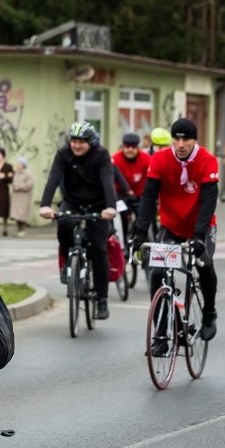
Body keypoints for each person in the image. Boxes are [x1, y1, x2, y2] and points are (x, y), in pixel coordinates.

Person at [132, 118, 219, 347]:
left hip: (202, 227)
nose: (180, 144)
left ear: (195, 140)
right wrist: (140, 234)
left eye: (186, 139)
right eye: (176, 138)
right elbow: (148, 197)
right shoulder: (160, 159)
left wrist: (199, 236)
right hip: (172, 226)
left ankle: (209, 311)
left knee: (205, 264)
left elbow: (209, 201)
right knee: (158, 273)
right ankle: (162, 335)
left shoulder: (207, 160)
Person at [39, 121, 117, 320]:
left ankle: (101, 300)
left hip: (99, 206)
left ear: (91, 142)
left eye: (82, 141)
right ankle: (68, 262)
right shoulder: (63, 154)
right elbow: (53, 178)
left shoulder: (101, 155)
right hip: (73, 202)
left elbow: (108, 180)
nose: (77, 145)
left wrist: (111, 207)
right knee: (64, 224)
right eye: (74, 141)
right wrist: (45, 205)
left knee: (98, 249)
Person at [112, 132, 151, 244]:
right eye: (127, 146)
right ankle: (122, 241)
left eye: (133, 147)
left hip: (140, 194)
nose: (130, 149)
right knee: (122, 214)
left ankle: (137, 237)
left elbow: (152, 177)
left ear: (137, 147)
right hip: (121, 194)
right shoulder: (115, 159)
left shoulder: (146, 158)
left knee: (143, 215)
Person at [10, 156, 34, 237]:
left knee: (22, 214)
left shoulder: (28, 173)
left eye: (19, 163)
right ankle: (18, 230)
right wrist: (15, 185)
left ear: (23, 164)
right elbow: (13, 182)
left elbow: (29, 185)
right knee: (16, 215)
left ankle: (22, 230)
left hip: (24, 197)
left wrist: (18, 186)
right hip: (17, 197)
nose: (17, 165)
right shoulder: (17, 172)